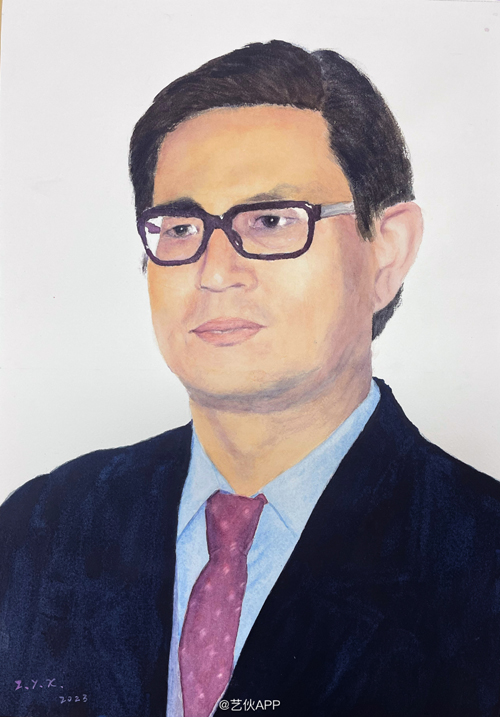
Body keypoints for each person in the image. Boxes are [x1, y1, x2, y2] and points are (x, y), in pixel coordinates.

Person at [0, 40, 499, 717]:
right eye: (181, 227)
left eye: (269, 221)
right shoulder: (42, 527)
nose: (214, 271)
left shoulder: (481, 553)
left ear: (386, 250)